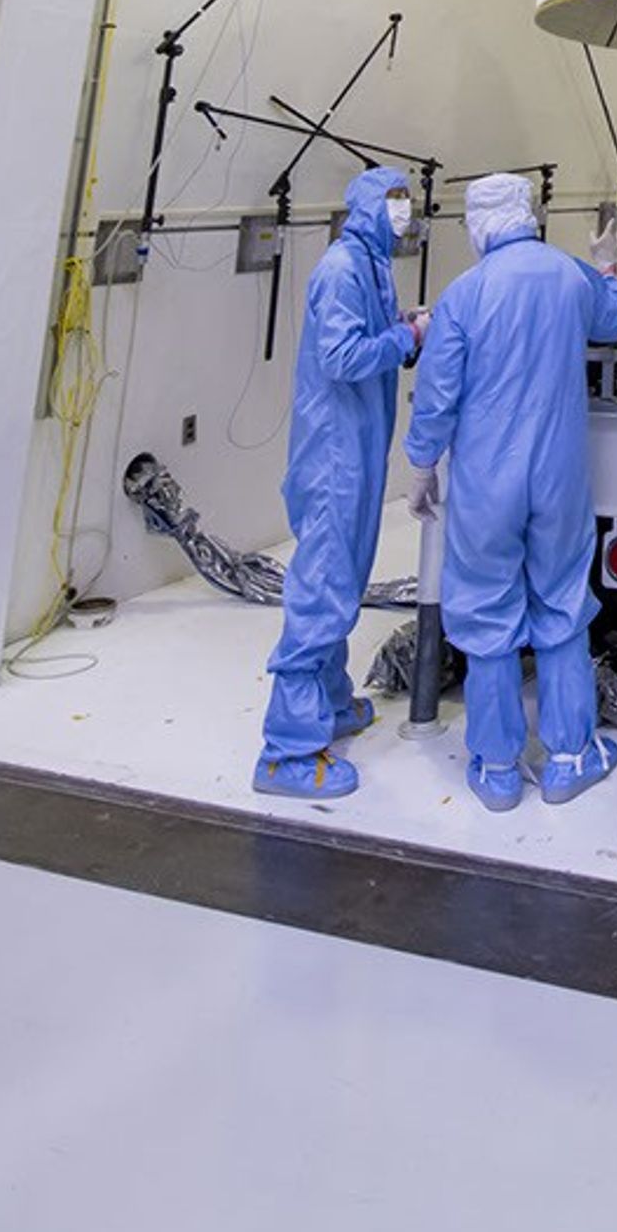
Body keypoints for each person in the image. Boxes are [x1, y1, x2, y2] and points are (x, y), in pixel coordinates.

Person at [406, 174, 617, 809]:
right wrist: (606, 264)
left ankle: (498, 767)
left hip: (486, 484)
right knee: (561, 605)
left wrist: (422, 465)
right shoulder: (566, 275)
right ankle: (569, 757)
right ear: (528, 215)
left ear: (479, 224)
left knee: (484, 614)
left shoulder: (464, 294)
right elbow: (613, 322)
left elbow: (438, 395)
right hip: (558, 478)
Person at [254, 163, 423, 800]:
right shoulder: (341, 270)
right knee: (323, 587)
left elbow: (366, 337)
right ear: (369, 207)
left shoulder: (373, 265)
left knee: (344, 580)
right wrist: (408, 336)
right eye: (396, 203)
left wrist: (404, 322)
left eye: (408, 201)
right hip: (332, 458)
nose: (404, 214)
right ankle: (286, 750)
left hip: (355, 451)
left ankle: (329, 699)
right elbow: (344, 356)